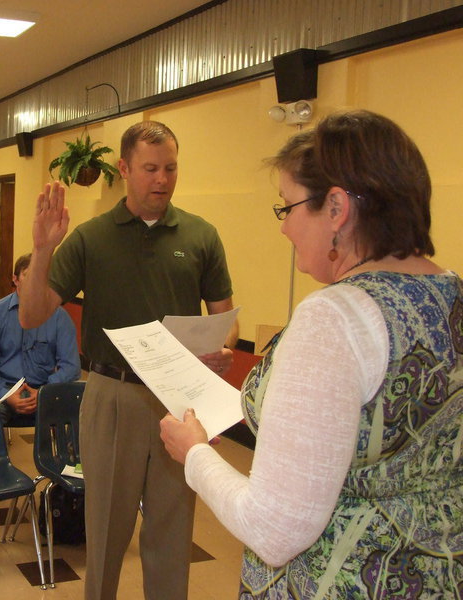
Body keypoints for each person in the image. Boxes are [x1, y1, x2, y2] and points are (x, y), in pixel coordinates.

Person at [160, 110, 463, 597]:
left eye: (288, 208)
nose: (284, 229)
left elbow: (274, 529)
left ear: (337, 209)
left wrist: (193, 452)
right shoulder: (451, 294)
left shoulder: (335, 318)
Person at [20, 121, 237, 600]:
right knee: (106, 533)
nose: (162, 179)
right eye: (150, 169)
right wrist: (42, 248)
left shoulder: (202, 235)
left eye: (171, 168)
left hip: (178, 401)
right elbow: (33, 314)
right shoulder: (91, 238)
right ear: (124, 169)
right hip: (111, 395)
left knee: (172, 531)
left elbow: (227, 319)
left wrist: (221, 349)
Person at [0, 253, 80, 425]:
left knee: (80, 409)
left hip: (45, 389)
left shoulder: (60, 317)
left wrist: (42, 392)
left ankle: (57, 452)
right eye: (28, 275)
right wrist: (6, 394)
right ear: (15, 279)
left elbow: (72, 367)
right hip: (3, 390)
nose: (35, 281)